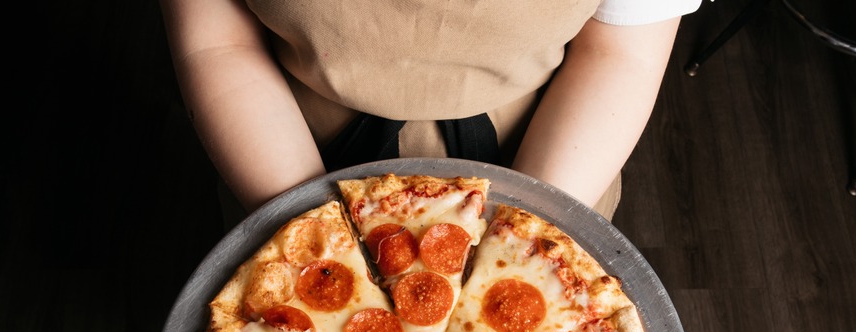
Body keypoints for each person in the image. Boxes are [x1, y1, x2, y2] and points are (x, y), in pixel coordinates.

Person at [160, 0, 702, 220]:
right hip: (280, 147)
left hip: (549, 157)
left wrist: (522, 237)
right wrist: (311, 232)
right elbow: (219, 44)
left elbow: (617, 53)